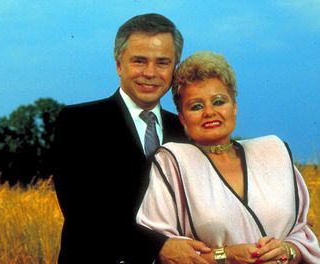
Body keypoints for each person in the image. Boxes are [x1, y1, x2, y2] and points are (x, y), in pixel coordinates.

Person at [136, 51, 320, 264]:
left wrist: (286, 250)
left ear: (234, 107)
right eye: (196, 106)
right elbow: (167, 251)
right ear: (183, 118)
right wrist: (227, 256)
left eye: (219, 101)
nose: (209, 112)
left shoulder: (273, 151)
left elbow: (302, 234)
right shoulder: (173, 161)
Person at [53, 13, 209, 263]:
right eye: (139, 61)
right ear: (118, 64)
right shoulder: (78, 122)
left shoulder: (186, 131)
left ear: (174, 68)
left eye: (162, 62)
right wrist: (159, 247)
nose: (150, 73)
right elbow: (83, 213)